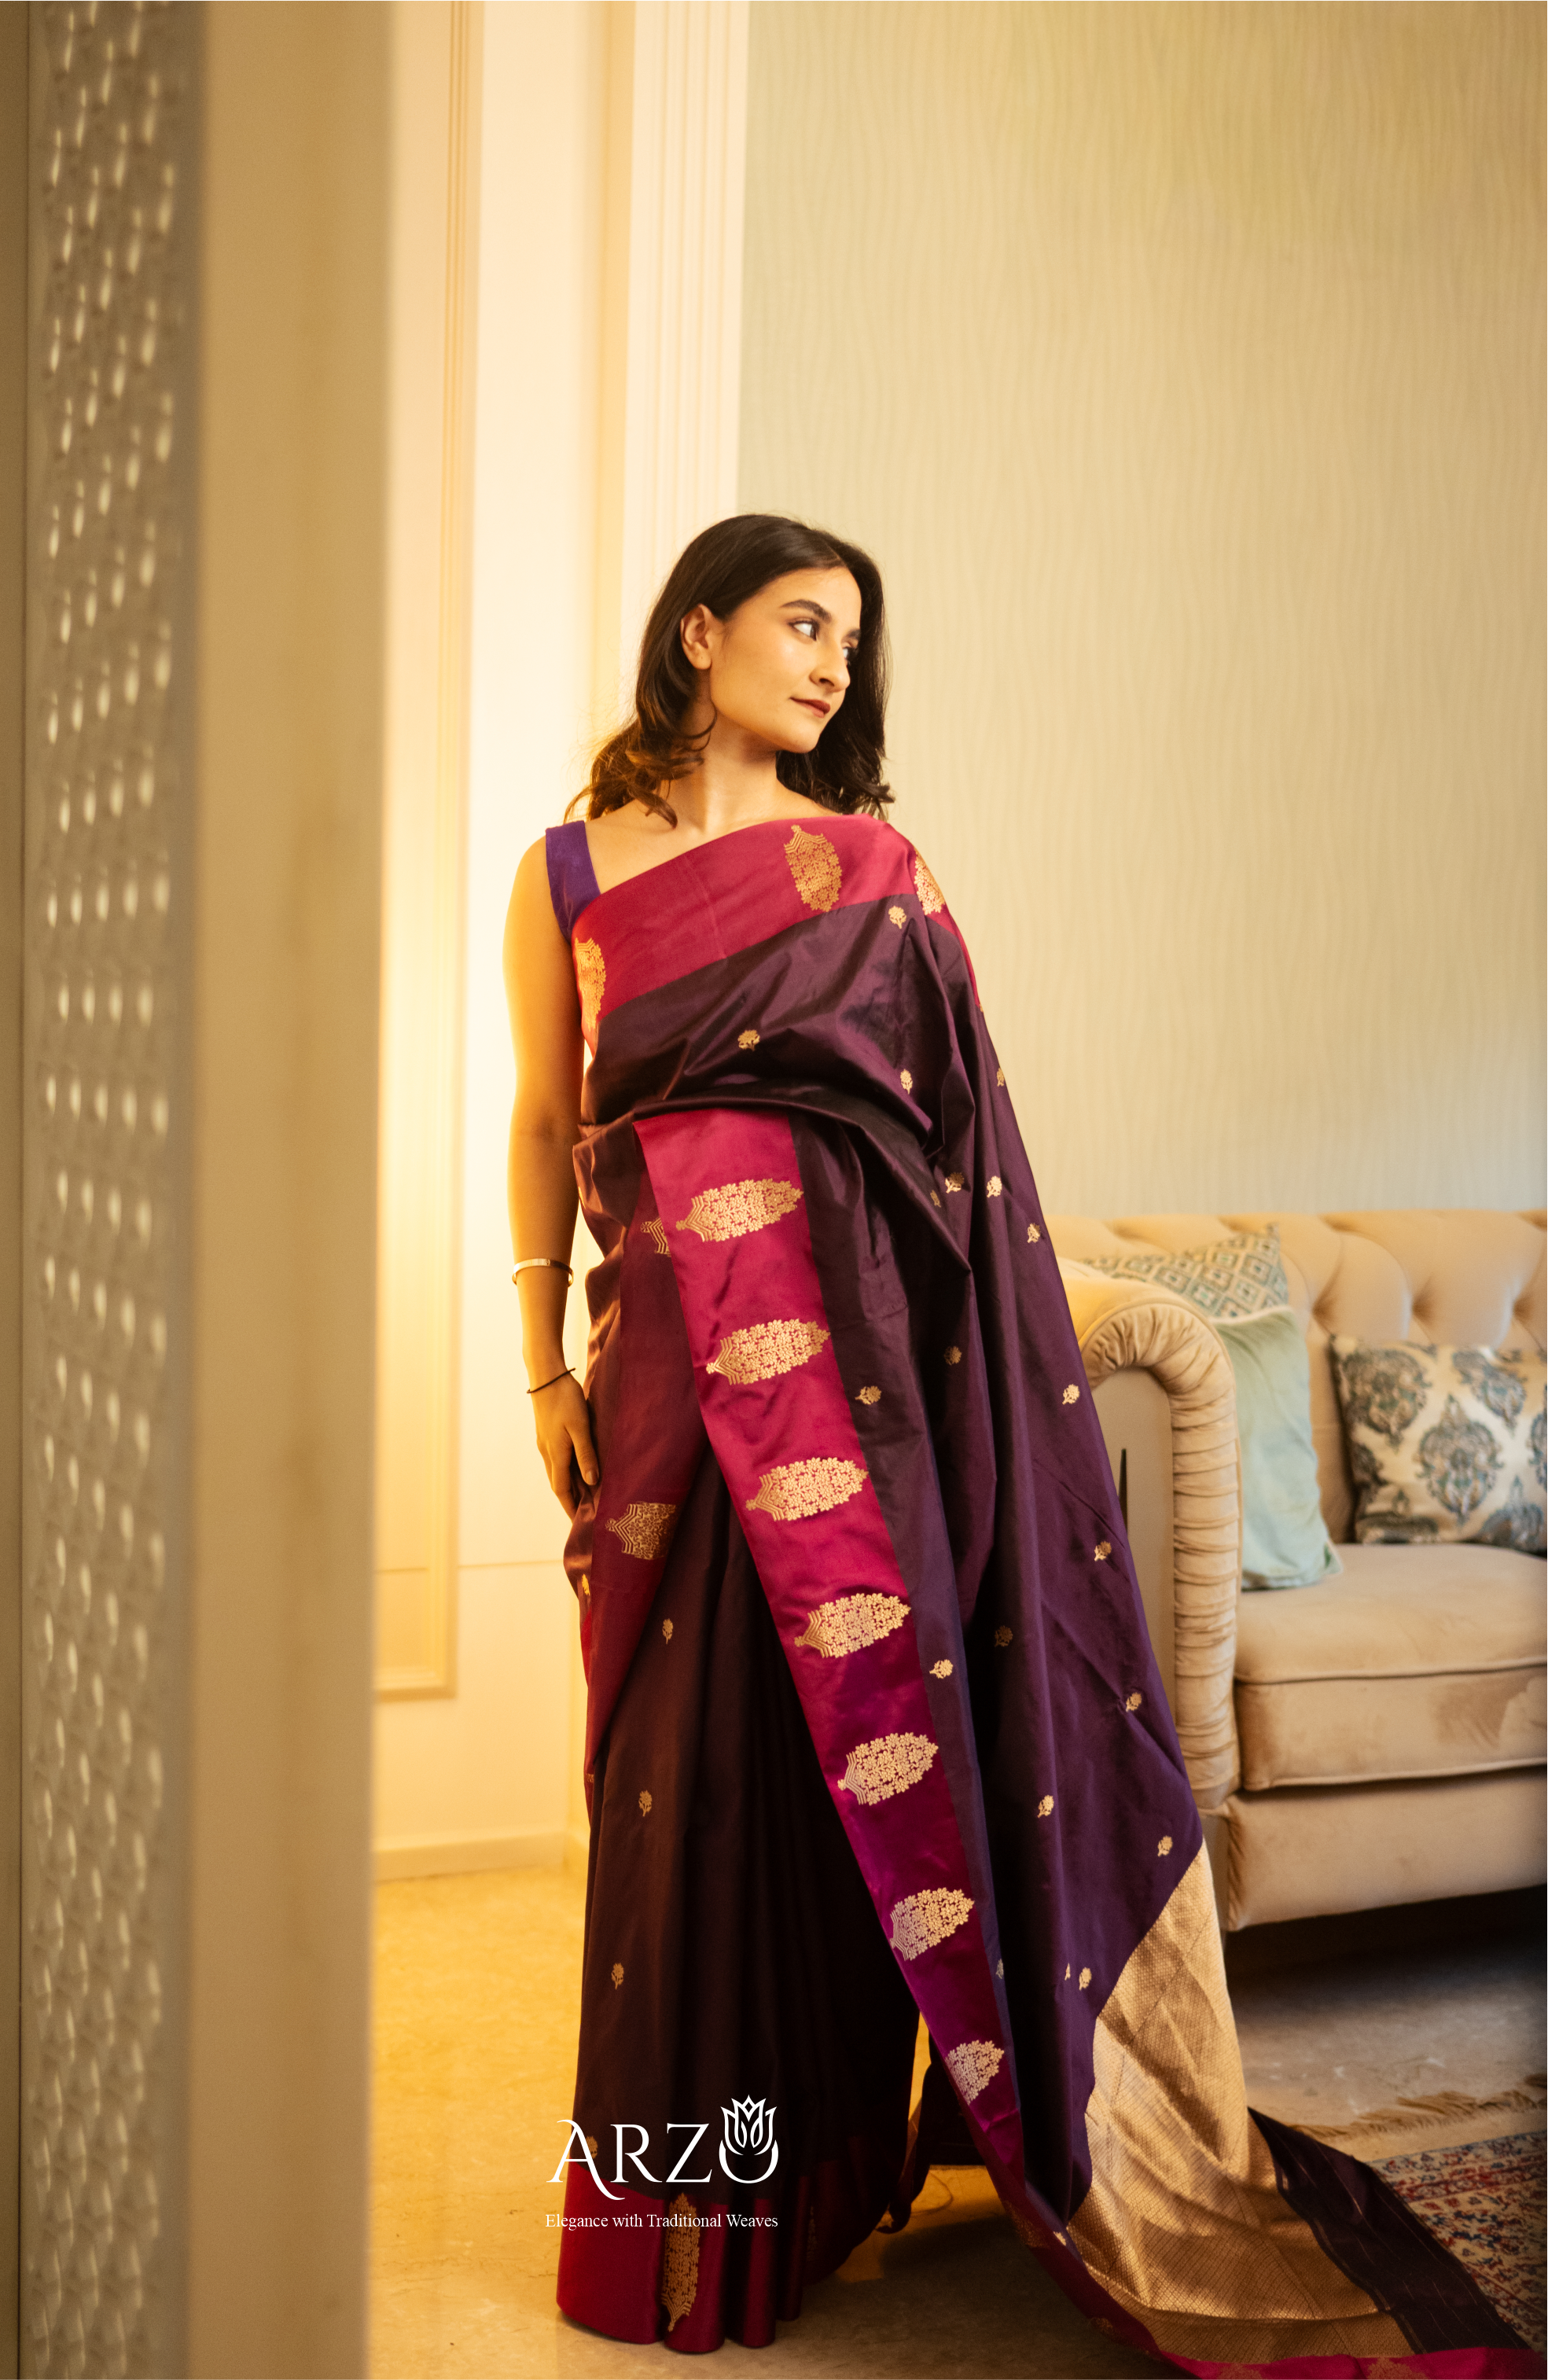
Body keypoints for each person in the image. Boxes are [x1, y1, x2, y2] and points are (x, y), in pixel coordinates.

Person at [502, 513, 1532, 2371]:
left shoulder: (872, 874)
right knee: (681, 1805)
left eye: (853, 639)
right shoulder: (566, 868)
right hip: (656, 1391)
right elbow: (538, 1118)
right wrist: (534, 1366)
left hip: (847, 1398)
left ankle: (810, 2191)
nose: (834, 664)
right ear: (698, 632)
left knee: (833, 1798)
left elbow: (954, 1149)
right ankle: (687, 2222)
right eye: (801, 624)